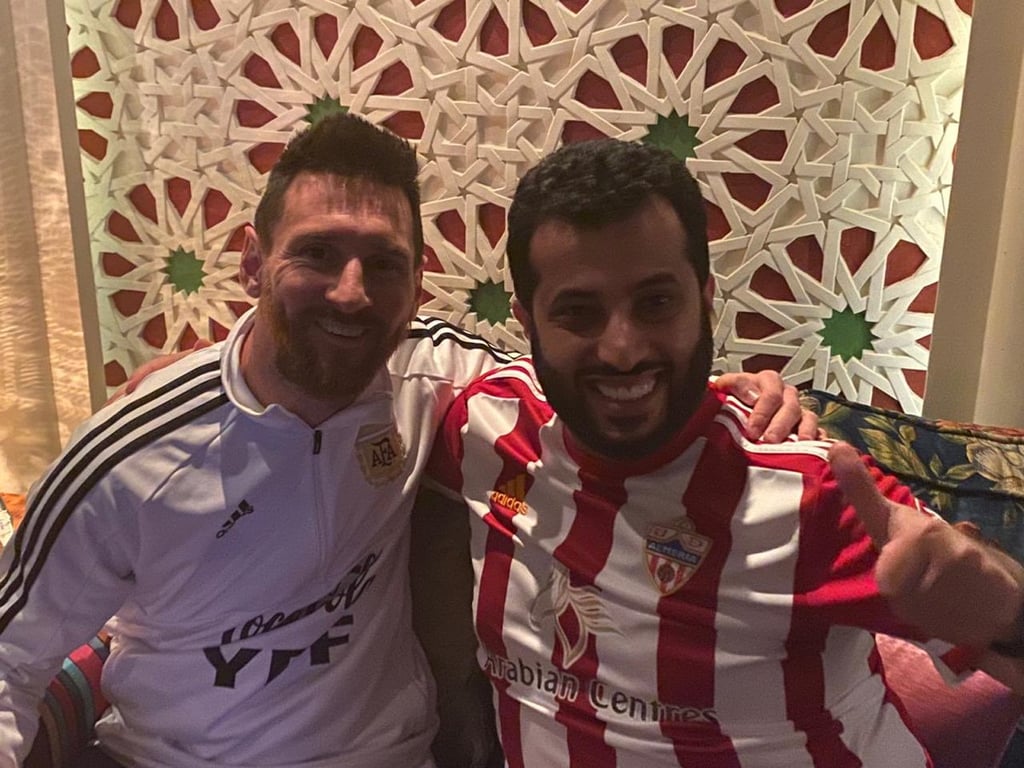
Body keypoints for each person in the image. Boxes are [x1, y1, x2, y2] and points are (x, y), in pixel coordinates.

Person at [0, 114, 810, 768]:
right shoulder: (127, 456)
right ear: (252, 263)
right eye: (317, 255)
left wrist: (735, 395)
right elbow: (10, 660)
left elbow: (592, 376)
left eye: (383, 264)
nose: (351, 294)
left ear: (418, 283)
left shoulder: (438, 378)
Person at [417, 138, 1024, 767]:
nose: (623, 349)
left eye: (656, 303)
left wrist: (1009, 613)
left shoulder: (811, 491)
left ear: (705, 298)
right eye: (578, 312)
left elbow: (981, 616)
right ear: (526, 321)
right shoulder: (487, 426)